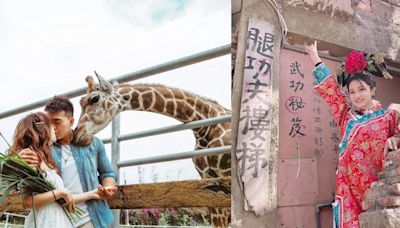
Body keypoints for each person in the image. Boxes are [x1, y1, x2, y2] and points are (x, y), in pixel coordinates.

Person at [305, 41, 400, 228]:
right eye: (352, 92)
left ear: (372, 90)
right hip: (348, 189)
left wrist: (394, 139)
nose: (357, 96)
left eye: (362, 89)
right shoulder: (346, 116)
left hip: (377, 188)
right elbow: (331, 91)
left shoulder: (389, 116)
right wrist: (315, 58)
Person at [18, 96, 117, 228]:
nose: (52, 127)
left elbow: (108, 173)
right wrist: (19, 157)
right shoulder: (44, 149)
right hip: (58, 216)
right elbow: (19, 159)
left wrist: (107, 188)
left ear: (71, 121)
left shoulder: (94, 144)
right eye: (48, 123)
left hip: (90, 216)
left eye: (57, 122)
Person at [10, 112, 101, 228]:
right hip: (44, 222)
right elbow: (27, 202)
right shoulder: (30, 158)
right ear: (41, 130)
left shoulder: (44, 160)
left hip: (57, 221)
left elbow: (59, 198)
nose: (54, 127)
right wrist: (60, 192)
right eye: (50, 125)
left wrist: (94, 194)